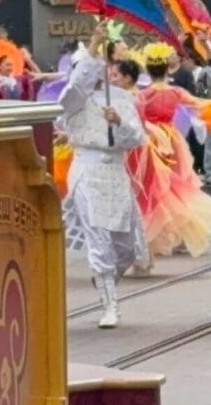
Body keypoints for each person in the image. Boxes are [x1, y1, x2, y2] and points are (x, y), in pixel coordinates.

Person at [59, 41, 149, 330]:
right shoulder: (73, 99)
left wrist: (119, 121)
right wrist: (94, 47)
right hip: (87, 170)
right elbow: (75, 87)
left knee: (126, 247)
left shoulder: (121, 98)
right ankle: (109, 303)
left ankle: (105, 278)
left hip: (116, 172)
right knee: (98, 239)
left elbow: (136, 137)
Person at [130, 79, 211, 263]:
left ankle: (160, 233)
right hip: (171, 139)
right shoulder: (175, 92)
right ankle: (177, 232)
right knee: (174, 186)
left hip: (151, 140)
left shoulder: (143, 95)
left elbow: (137, 116)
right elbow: (197, 103)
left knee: (157, 187)